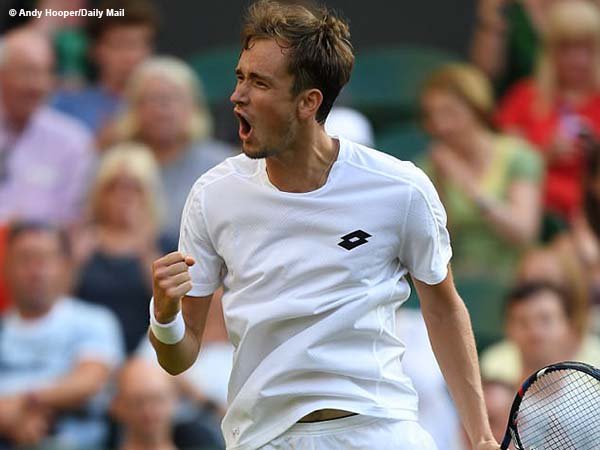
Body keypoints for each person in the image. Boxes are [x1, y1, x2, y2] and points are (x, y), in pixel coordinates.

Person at [148, 2, 499, 450]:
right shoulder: (212, 195)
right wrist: (164, 314)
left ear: (308, 102)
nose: (237, 95)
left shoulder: (400, 188)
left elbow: (444, 309)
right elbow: (179, 358)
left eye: (259, 82)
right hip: (265, 438)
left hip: (380, 431)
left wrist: (482, 435)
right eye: (240, 77)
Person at [0, 221, 124, 449]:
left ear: (66, 266)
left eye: (45, 259)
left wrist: (23, 404)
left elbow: (89, 382)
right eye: (25, 259)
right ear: (6, 267)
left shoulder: (93, 321)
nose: (35, 270)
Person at [420, 63, 542, 283]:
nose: (440, 125)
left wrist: (467, 184)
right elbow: (436, 245)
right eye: (432, 116)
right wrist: (439, 182)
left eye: (450, 113)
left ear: (476, 109)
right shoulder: (427, 169)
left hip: (515, 279)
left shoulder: (519, 156)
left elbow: (522, 232)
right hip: (459, 280)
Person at [108, 56, 235, 249]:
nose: (162, 108)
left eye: (172, 98)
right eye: (152, 99)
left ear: (194, 106)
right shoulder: (115, 163)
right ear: (134, 107)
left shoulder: (222, 166)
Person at [496, 0, 600, 223]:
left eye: (587, 48)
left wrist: (595, 158)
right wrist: (543, 155)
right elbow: (499, 165)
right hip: (538, 216)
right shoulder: (524, 97)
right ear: (550, 52)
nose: (578, 60)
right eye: (567, 48)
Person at [74, 143, 166, 354]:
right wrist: (75, 261)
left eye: (135, 188)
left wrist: (146, 251)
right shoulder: (83, 239)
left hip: (148, 348)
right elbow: (59, 303)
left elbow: (170, 308)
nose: (124, 196)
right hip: (87, 348)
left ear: (149, 194)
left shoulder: (165, 242)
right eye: (114, 187)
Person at [0, 27, 95, 225]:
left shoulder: (72, 141)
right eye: (27, 73)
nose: (37, 85)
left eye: (45, 72)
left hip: (42, 251)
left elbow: (73, 220)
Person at [51, 0, 158, 134]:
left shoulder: (164, 108)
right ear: (95, 50)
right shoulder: (67, 105)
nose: (130, 56)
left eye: (138, 44)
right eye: (120, 44)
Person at [480, 281, 600, 386]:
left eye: (545, 320)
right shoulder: (493, 373)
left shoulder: (594, 385)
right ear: (507, 328)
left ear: (568, 325)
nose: (535, 332)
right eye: (523, 322)